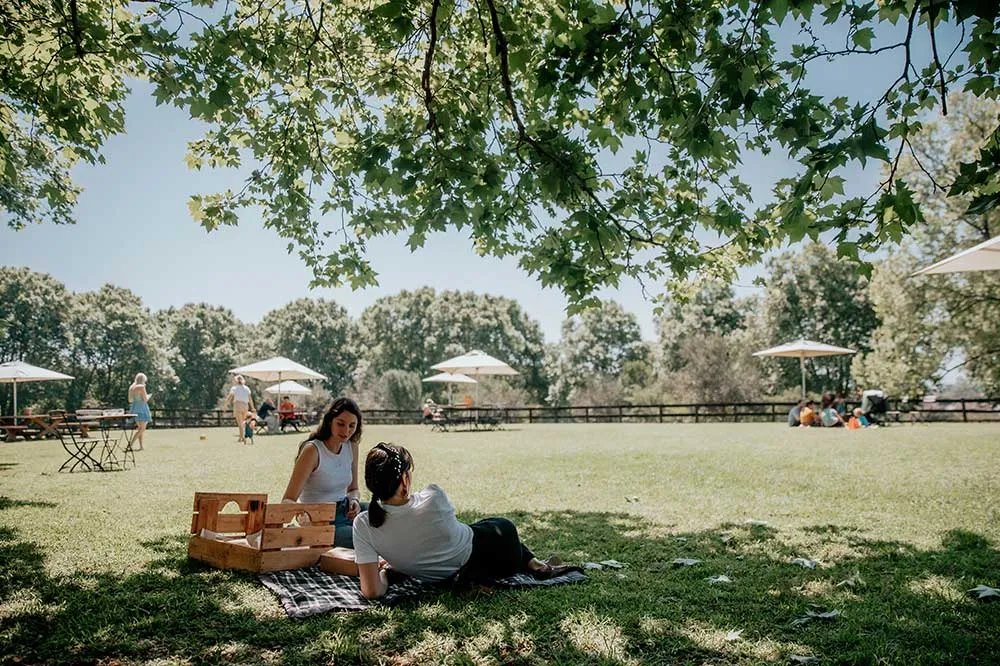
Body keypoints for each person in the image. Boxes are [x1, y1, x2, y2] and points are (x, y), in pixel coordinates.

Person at [353, 442, 583, 599]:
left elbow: (371, 591)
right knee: (499, 525)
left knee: (479, 531)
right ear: (404, 479)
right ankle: (537, 565)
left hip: (445, 571)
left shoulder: (363, 525)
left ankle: (534, 564)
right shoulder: (432, 497)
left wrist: (385, 573)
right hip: (496, 556)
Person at [282, 397, 366, 547]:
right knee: (367, 538)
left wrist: (354, 500)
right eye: (341, 424)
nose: (346, 431)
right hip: (321, 520)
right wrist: (303, 518)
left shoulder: (351, 445)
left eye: (352, 426)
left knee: (387, 512)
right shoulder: (312, 450)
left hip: (345, 509)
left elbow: (353, 489)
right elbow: (288, 499)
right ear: (329, 421)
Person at [222, 375, 254, 444]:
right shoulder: (247, 388)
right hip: (245, 405)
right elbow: (250, 399)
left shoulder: (234, 388)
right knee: (243, 422)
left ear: (236, 381)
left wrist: (225, 405)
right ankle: (243, 436)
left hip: (238, 405)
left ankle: (241, 437)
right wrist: (252, 407)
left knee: (240, 423)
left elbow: (229, 397)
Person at [127, 373, 153, 450]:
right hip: (142, 408)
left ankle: (141, 446)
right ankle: (130, 444)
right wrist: (148, 396)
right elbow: (145, 399)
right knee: (142, 429)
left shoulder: (132, 387)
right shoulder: (141, 387)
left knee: (140, 428)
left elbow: (130, 400)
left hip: (134, 408)